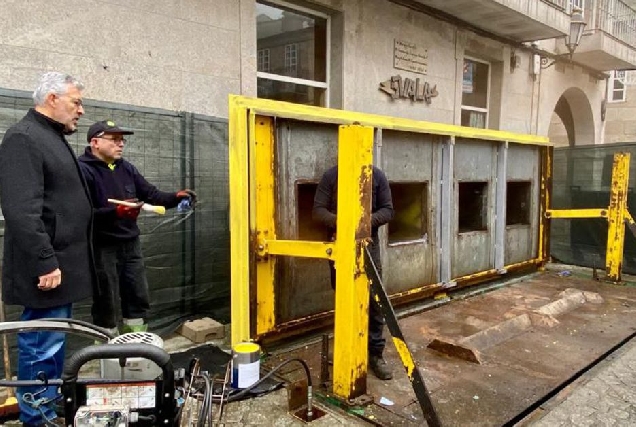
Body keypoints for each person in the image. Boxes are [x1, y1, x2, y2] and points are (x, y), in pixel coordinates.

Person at [0, 71, 93, 426]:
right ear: (52, 99)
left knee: (52, 343)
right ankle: (36, 418)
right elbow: (22, 210)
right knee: (40, 344)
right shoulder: (24, 138)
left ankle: (49, 407)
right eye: (76, 102)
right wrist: (45, 262)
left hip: (59, 267)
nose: (81, 110)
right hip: (46, 270)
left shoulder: (49, 136)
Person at [78, 120, 196, 335]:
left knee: (136, 294)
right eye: (114, 139)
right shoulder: (82, 170)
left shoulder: (125, 167)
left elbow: (151, 195)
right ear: (95, 142)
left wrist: (175, 197)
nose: (121, 144)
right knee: (107, 299)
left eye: (122, 140)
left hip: (130, 244)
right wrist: (116, 213)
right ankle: (107, 351)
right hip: (101, 246)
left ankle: (137, 344)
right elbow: (80, 213)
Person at [313, 164, 394, 380]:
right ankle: (346, 348)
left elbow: (388, 210)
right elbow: (318, 210)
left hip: (369, 244)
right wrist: (342, 223)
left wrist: (362, 224)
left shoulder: (377, 175)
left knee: (375, 301)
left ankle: (375, 354)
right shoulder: (331, 176)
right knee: (343, 295)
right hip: (339, 243)